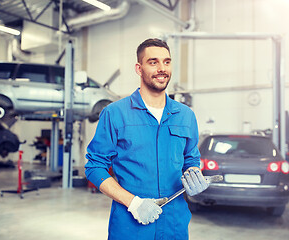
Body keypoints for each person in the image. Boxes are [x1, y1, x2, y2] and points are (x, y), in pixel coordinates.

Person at [85, 38, 208, 240]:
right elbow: (94, 167)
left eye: (167, 62)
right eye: (153, 62)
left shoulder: (186, 115)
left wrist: (194, 174)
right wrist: (134, 203)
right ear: (139, 68)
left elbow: (190, 159)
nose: (162, 68)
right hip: (130, 226)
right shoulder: (115, 113)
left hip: (175, 225)